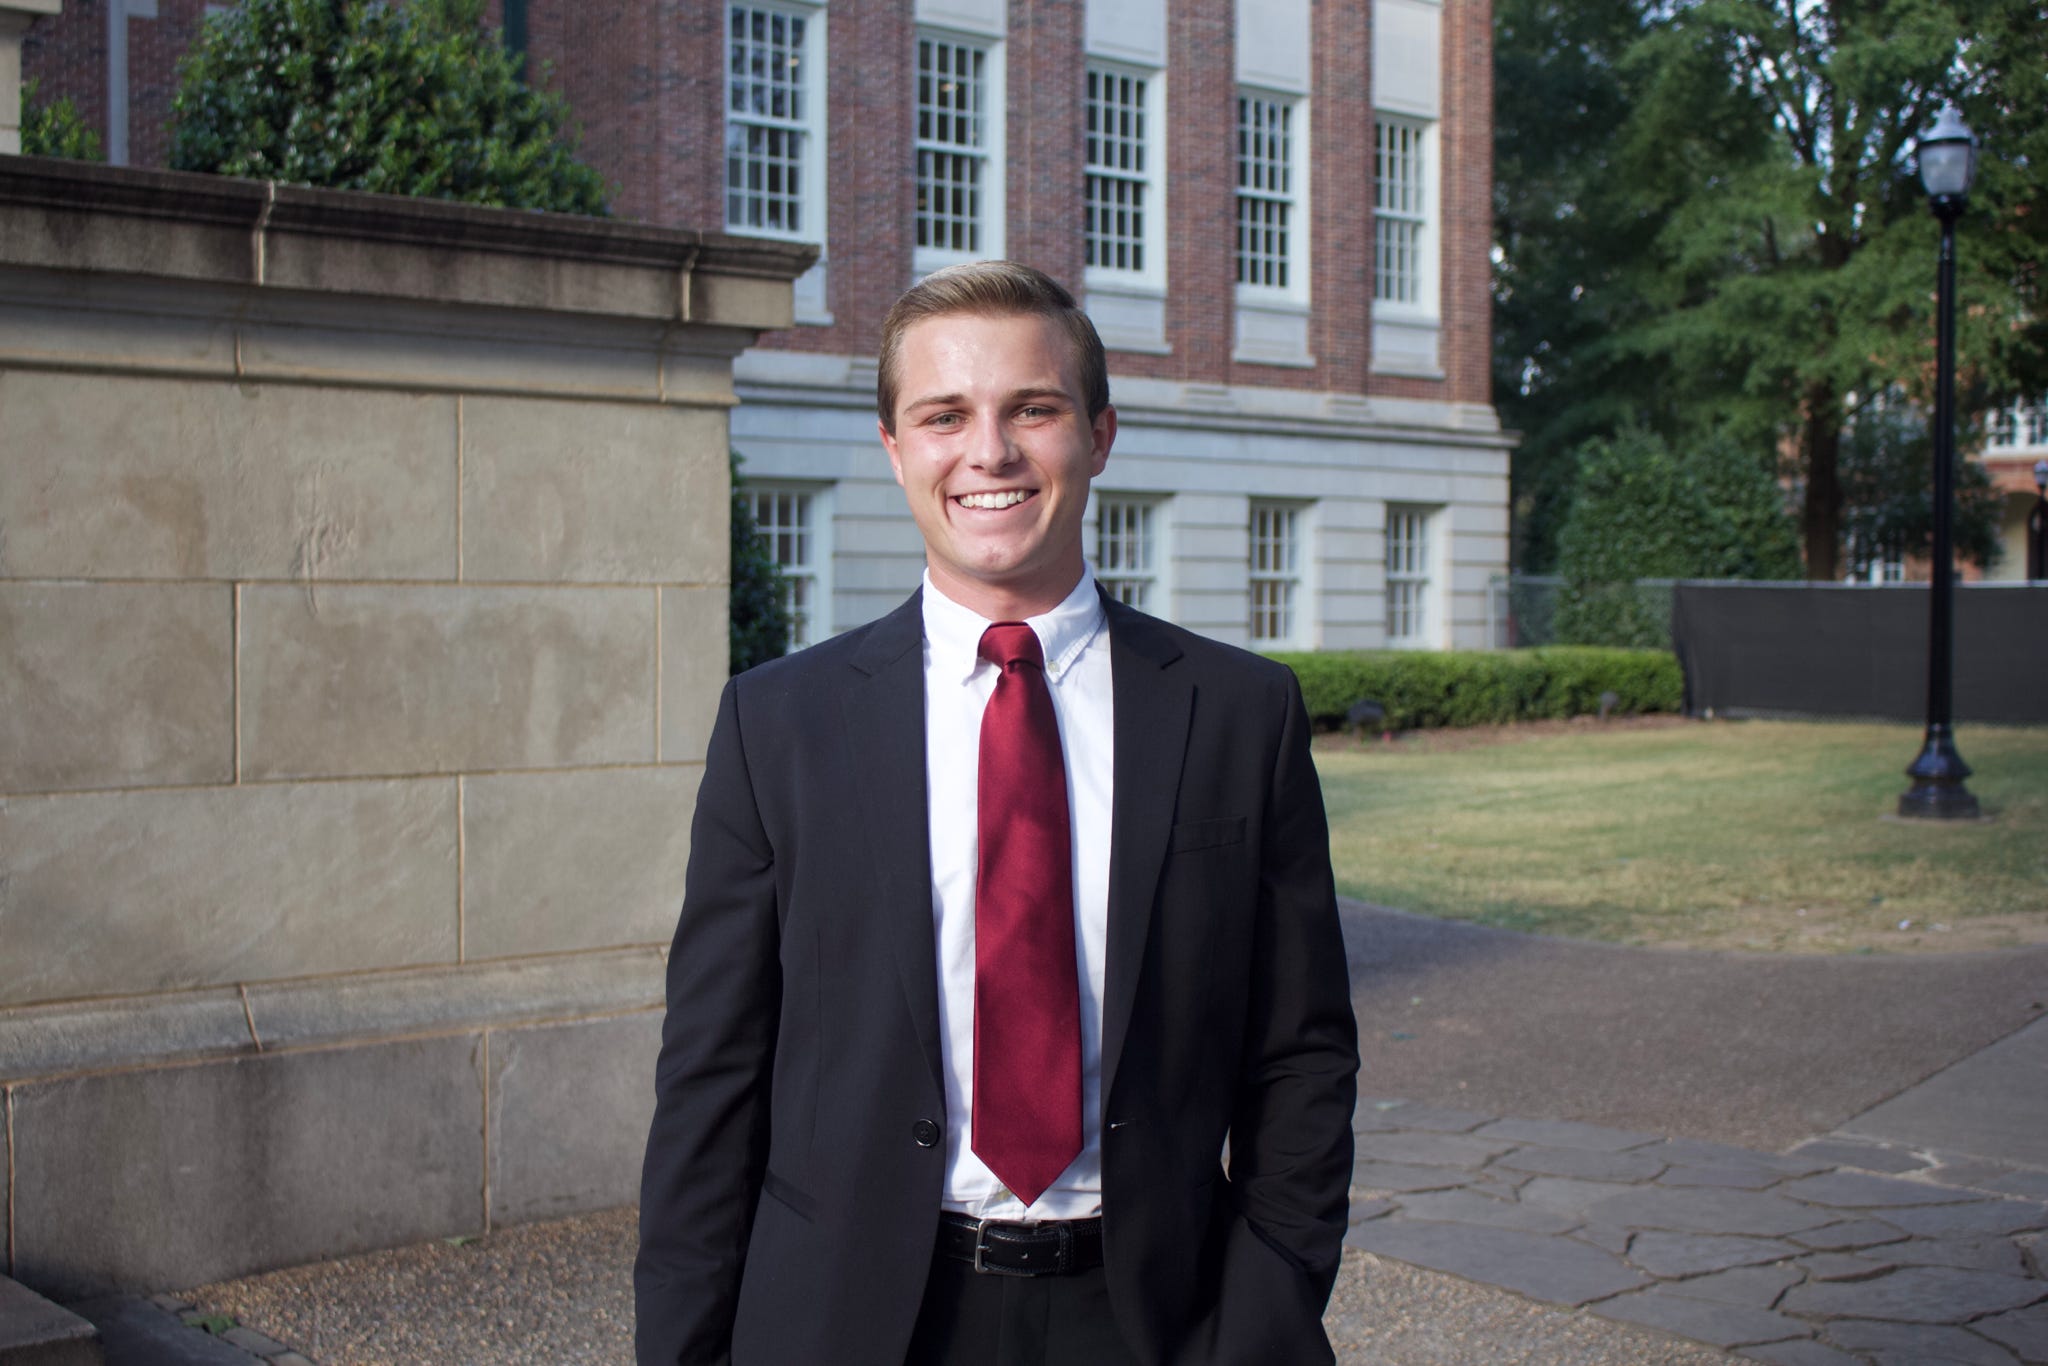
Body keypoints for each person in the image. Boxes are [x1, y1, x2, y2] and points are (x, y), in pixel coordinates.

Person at [636, 261, 1358, 1366]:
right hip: (853, 1320)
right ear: (894, 449)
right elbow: (710, 1081)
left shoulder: (1238, 715)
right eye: (944, 416)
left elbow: (1300, 1051)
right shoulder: (778, 726)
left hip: (1162, 1320)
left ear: (1099, 435)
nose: (989, 452)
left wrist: (1265, 1308)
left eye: (1032, 408)